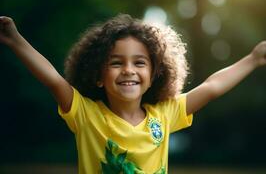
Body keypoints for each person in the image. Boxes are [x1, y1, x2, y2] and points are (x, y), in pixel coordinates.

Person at [0, 14, 265, 174]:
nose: (128, 70)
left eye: (139, 63)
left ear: (154, 76)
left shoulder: (165, 114)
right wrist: (15, 40)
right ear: (98, 76)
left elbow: (211, 87)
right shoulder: (85, 114)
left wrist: (253, 59)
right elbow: (53, 80)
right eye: (116, 63)